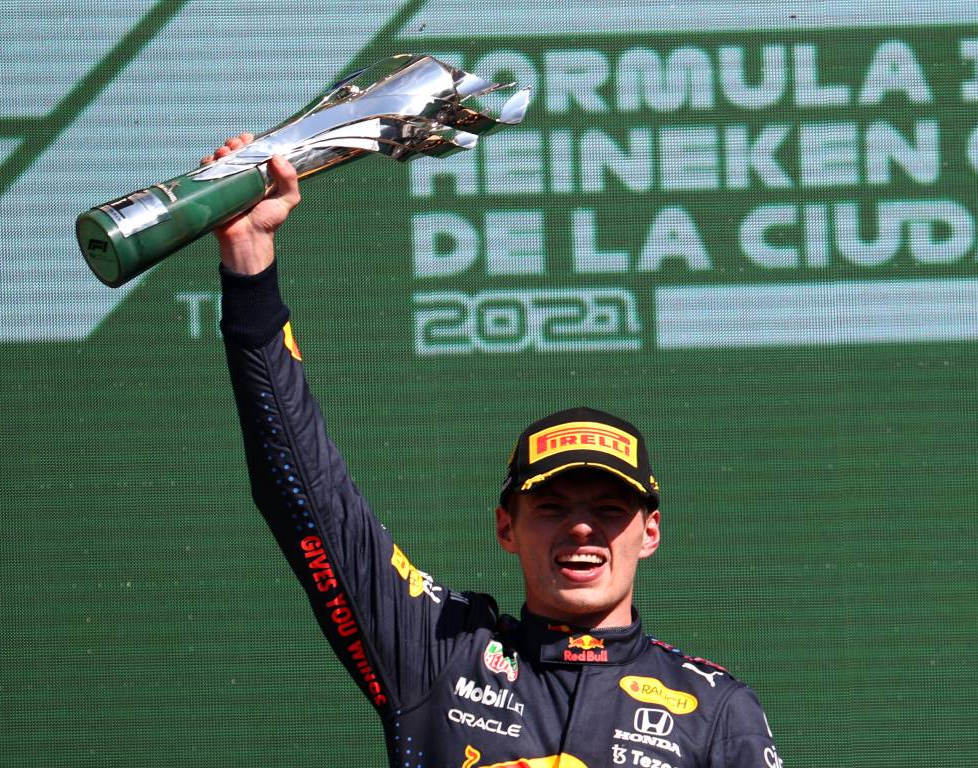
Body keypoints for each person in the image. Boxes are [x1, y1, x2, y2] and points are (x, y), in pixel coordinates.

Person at [209, 134, 783, 768]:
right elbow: (307, 496)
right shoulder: (440, 653)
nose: (583, 526)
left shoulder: (715, 710)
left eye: (610, 509)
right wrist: (248, 254)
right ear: (506, 527)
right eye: (553, 506)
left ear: (649, 532)